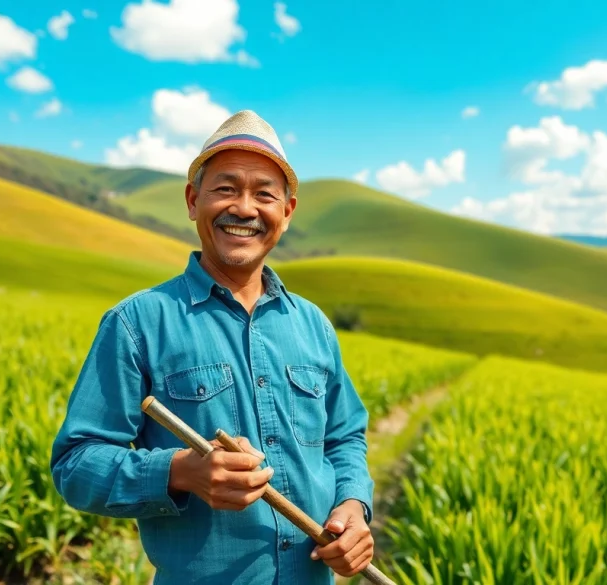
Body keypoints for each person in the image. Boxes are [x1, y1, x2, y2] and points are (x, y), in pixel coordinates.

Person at [50, 110, 375, 585]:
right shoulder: (137, 323)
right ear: (192, 200)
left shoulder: (314, 326)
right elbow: (76, 464)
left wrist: (352, 505)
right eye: (225, 188)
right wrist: (181, 471)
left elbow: (344, 438)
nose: (244, 208)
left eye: (264, 194)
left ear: (287, 212)